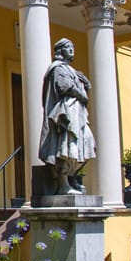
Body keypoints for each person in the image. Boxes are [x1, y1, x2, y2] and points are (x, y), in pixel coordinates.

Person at [38, 38, 96, 195]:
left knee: (88, 143)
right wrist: (81, 92)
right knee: (66, 146)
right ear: (59, 51)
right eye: (67, 47)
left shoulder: (72, 70)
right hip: (66, 114)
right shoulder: (58, 69)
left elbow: (81, 91)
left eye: (72, 47)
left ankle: (72, 177)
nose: (71, 50)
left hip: (77, 114)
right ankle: (63, 184)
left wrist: (85, 87)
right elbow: (65, 87)